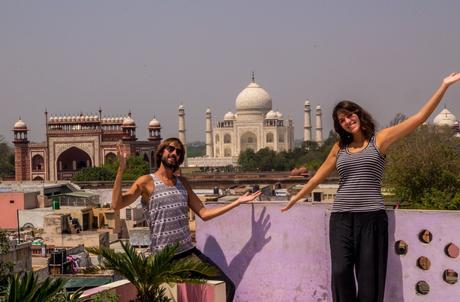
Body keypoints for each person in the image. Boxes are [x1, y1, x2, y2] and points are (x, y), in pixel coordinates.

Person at [281, 73, 460, 302]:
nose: (347, 120)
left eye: (349, 115)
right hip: (341, 219)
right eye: (341, 119)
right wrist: (296, 198)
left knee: (369, 280)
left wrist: (443, 85)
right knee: (340, 272)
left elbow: (419, 118)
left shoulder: (380, 140)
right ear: (340, 126)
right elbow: (317, 178)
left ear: (358, 113)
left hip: (371, 219)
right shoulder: (340, 147)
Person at [112, 137, 261, 302]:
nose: (174, 153)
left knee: (226, 286)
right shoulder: (146, 182)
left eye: (178, 152)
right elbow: (116, 204)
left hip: (188, 254)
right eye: (171, 149)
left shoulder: (182, 183)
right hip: (163, 258)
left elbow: (203, 213)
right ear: (161, 152)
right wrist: (121, 169)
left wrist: (237, 202)